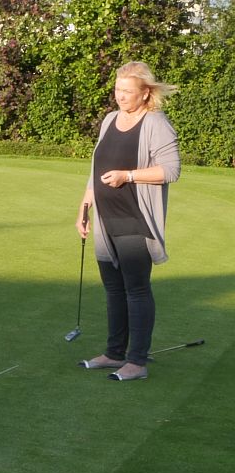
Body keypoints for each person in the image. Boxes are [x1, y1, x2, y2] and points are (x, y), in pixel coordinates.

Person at [76, 61, 180, 382]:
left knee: (136, 289)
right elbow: (97, 167)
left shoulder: (156, 122)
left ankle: (137, 362)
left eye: (127, 91)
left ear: (145, 93)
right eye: (117, 89)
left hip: (135, 219)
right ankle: (114, 353)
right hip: (106, 219)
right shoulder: (110, 119)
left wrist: (128, 176)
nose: (120, 96)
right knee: (113, 288)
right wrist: (85, 205)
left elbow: (170, 170)